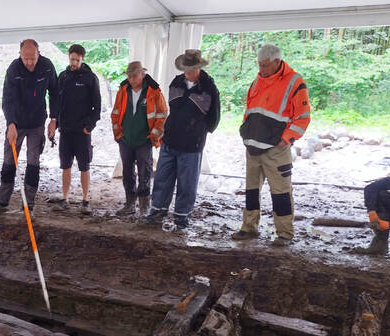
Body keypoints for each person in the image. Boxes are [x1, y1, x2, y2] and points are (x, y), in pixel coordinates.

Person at [233, 44, 310, 246]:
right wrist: (246, 133)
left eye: (265, 65)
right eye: (259, 65)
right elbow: (250, 110)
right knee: (251, 191)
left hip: (276, 150)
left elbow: (302, 118)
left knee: (281, 192)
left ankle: (285, 233)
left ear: (277, 62)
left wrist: (285, 140)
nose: (261, 69)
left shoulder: (295, 82)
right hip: (252, 147)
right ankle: (249, 228)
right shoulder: (257, 80)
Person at [144, 49, 220, 231]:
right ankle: (157, 211)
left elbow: (214, 119)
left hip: (192, 145)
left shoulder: (209, 88)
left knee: (187, 182)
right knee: (162, 177)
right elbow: (173, 109)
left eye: (191, 69)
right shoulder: (176, 83)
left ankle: (181, 217)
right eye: (186, 68)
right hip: (170, 140)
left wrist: (198, 132)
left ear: (199, 68)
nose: (188, 72)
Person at [0, 39, 59, 216]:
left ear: (39, 53)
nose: (29, 62)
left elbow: (55, 93)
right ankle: (2, 203)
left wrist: (54, 119)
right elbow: (7, 98)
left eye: (32, 58)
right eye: (25, 58)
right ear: (20, 55)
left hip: (37, 122)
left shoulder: (47, 66)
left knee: (33, 163)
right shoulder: (14, 69)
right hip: (17, 122)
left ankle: (28, 205)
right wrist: (11, 123)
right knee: (8, 162)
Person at [110, 61, 167, 216]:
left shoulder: (153, 91)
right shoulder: (123, 90)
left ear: (142, 74)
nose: (131, 79)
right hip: (126, 140)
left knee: (144, 173)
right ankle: (129, 204)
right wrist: (119, 135)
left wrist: (153, 136)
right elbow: (115, 113)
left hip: (144, 140)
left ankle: (144, 206)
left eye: (134, 75)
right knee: (127, 172)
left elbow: (162, 115)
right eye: (129, 76)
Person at [53, 44, 101, 215]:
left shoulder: (90, 78)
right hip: (65, 131)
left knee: (84, 166)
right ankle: (64, 198)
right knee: (65, 165)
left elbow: (97, 106)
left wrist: (89, 126)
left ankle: (85, 200)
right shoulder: (63, 77)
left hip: (82, 132)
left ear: (82, 59)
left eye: (77, 60)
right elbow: (57, 103)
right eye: (71, 59)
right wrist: (56, 123)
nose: (73, 62)